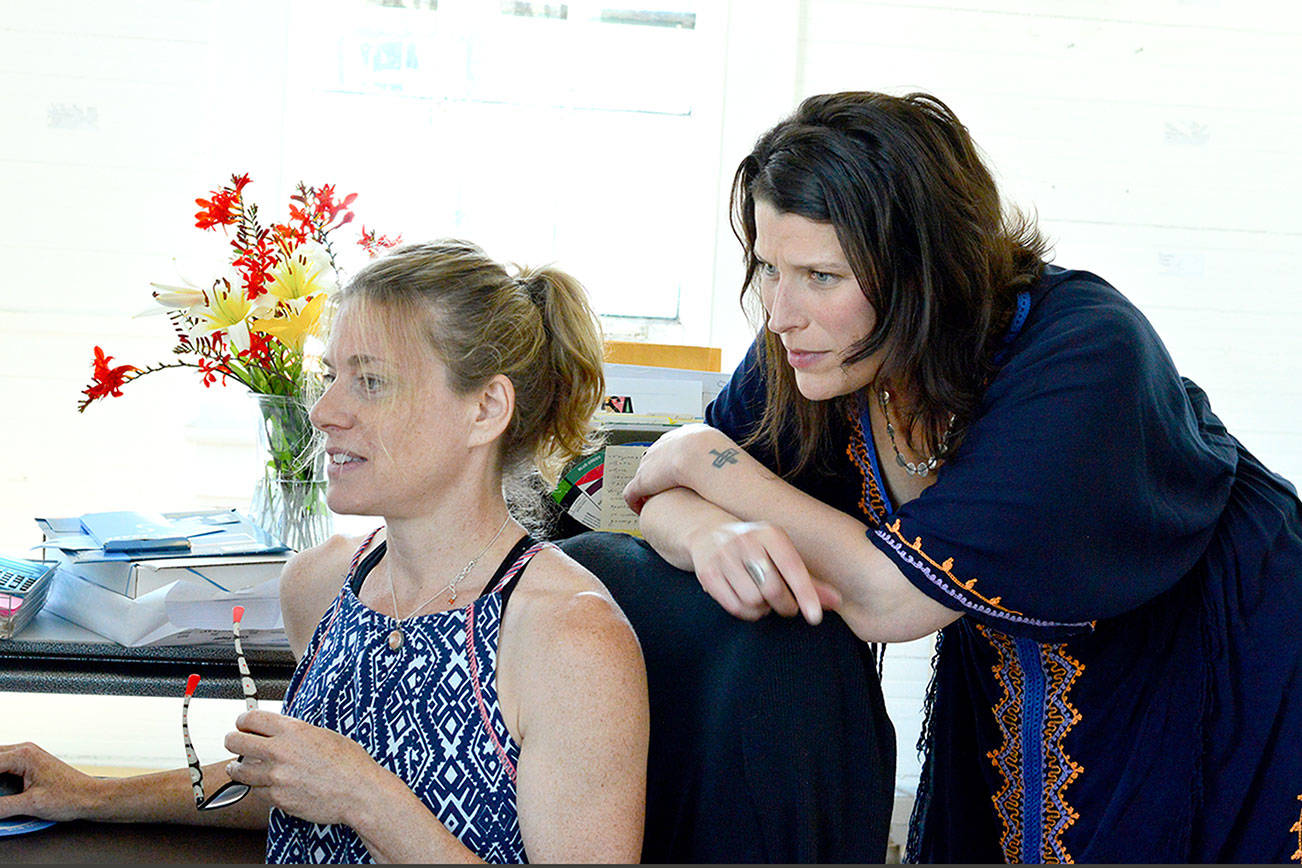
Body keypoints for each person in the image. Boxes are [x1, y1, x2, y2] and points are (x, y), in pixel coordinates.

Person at [622, 91, 1302, 863]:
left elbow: (888, 597)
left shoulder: (1084, 352)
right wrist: (713, 529)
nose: (779, 313)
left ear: (924, 272)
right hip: (1016, 675)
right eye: (770, 268)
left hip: (1209, 653)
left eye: (820, 275)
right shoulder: (821, 353)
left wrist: (698, 457)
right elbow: (650, 498)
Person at [0, 240, 649, 864]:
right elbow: (295, 792)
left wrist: (365, 798)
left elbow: (344, 791)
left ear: (484, 408)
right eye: (331, 376)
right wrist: (85, 792)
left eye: (370, 382)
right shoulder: (321, 582)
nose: (325, 411)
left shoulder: (571, 639)